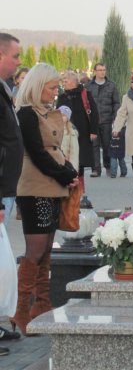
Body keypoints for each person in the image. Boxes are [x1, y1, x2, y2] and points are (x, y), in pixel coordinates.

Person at [13, 63, 79, 335]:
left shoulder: (47, 112)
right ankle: (19, 310)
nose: (55, 93)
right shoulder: (27, 114)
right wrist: (64, 174)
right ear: (37, 86)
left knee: (47, 250)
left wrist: (69, 172)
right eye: (51, 88)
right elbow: (38, 153)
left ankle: (42, 304)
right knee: (35, 251)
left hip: (52, 184)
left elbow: (55, 149)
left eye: (57, 88)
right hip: (35, 186)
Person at [0, 32, 23, 349]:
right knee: (33, 253)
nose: (19, 62)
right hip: (39, 192)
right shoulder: (33, 113)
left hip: (12, 189)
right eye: (16, 56)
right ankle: (32, 310)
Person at [57, 71, 99, 193]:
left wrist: (93, 131)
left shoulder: (85, 94)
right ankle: (70, 187)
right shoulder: (62, 96)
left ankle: (80, 189)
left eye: (66, 80)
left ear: (73, 82)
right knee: (67, 159)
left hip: (83, 133)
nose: (63, 83)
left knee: (79, 161)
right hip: (66, 134)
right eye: (63, 80)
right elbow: (56, 114)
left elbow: (94, 113)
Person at [86, 62, 120, 177]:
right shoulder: (88, 86)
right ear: (95, 71)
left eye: (104, 70)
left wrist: (115, 117)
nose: (102, 72)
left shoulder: (111, 85)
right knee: (94, 146)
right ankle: (96, 169)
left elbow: (116, 103)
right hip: (93, 121)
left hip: (107, 120)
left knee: (106, 145)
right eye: (100, 70)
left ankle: (108, 166)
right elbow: (85, 103)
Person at [59, 105, 79, 170]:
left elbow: (74, 151)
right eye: (60, 115)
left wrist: (73, 168)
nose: (61, 117)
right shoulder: (53, 128)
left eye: (63, 115)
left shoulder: (71, 132)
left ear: (68, 118)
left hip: (66, 162)